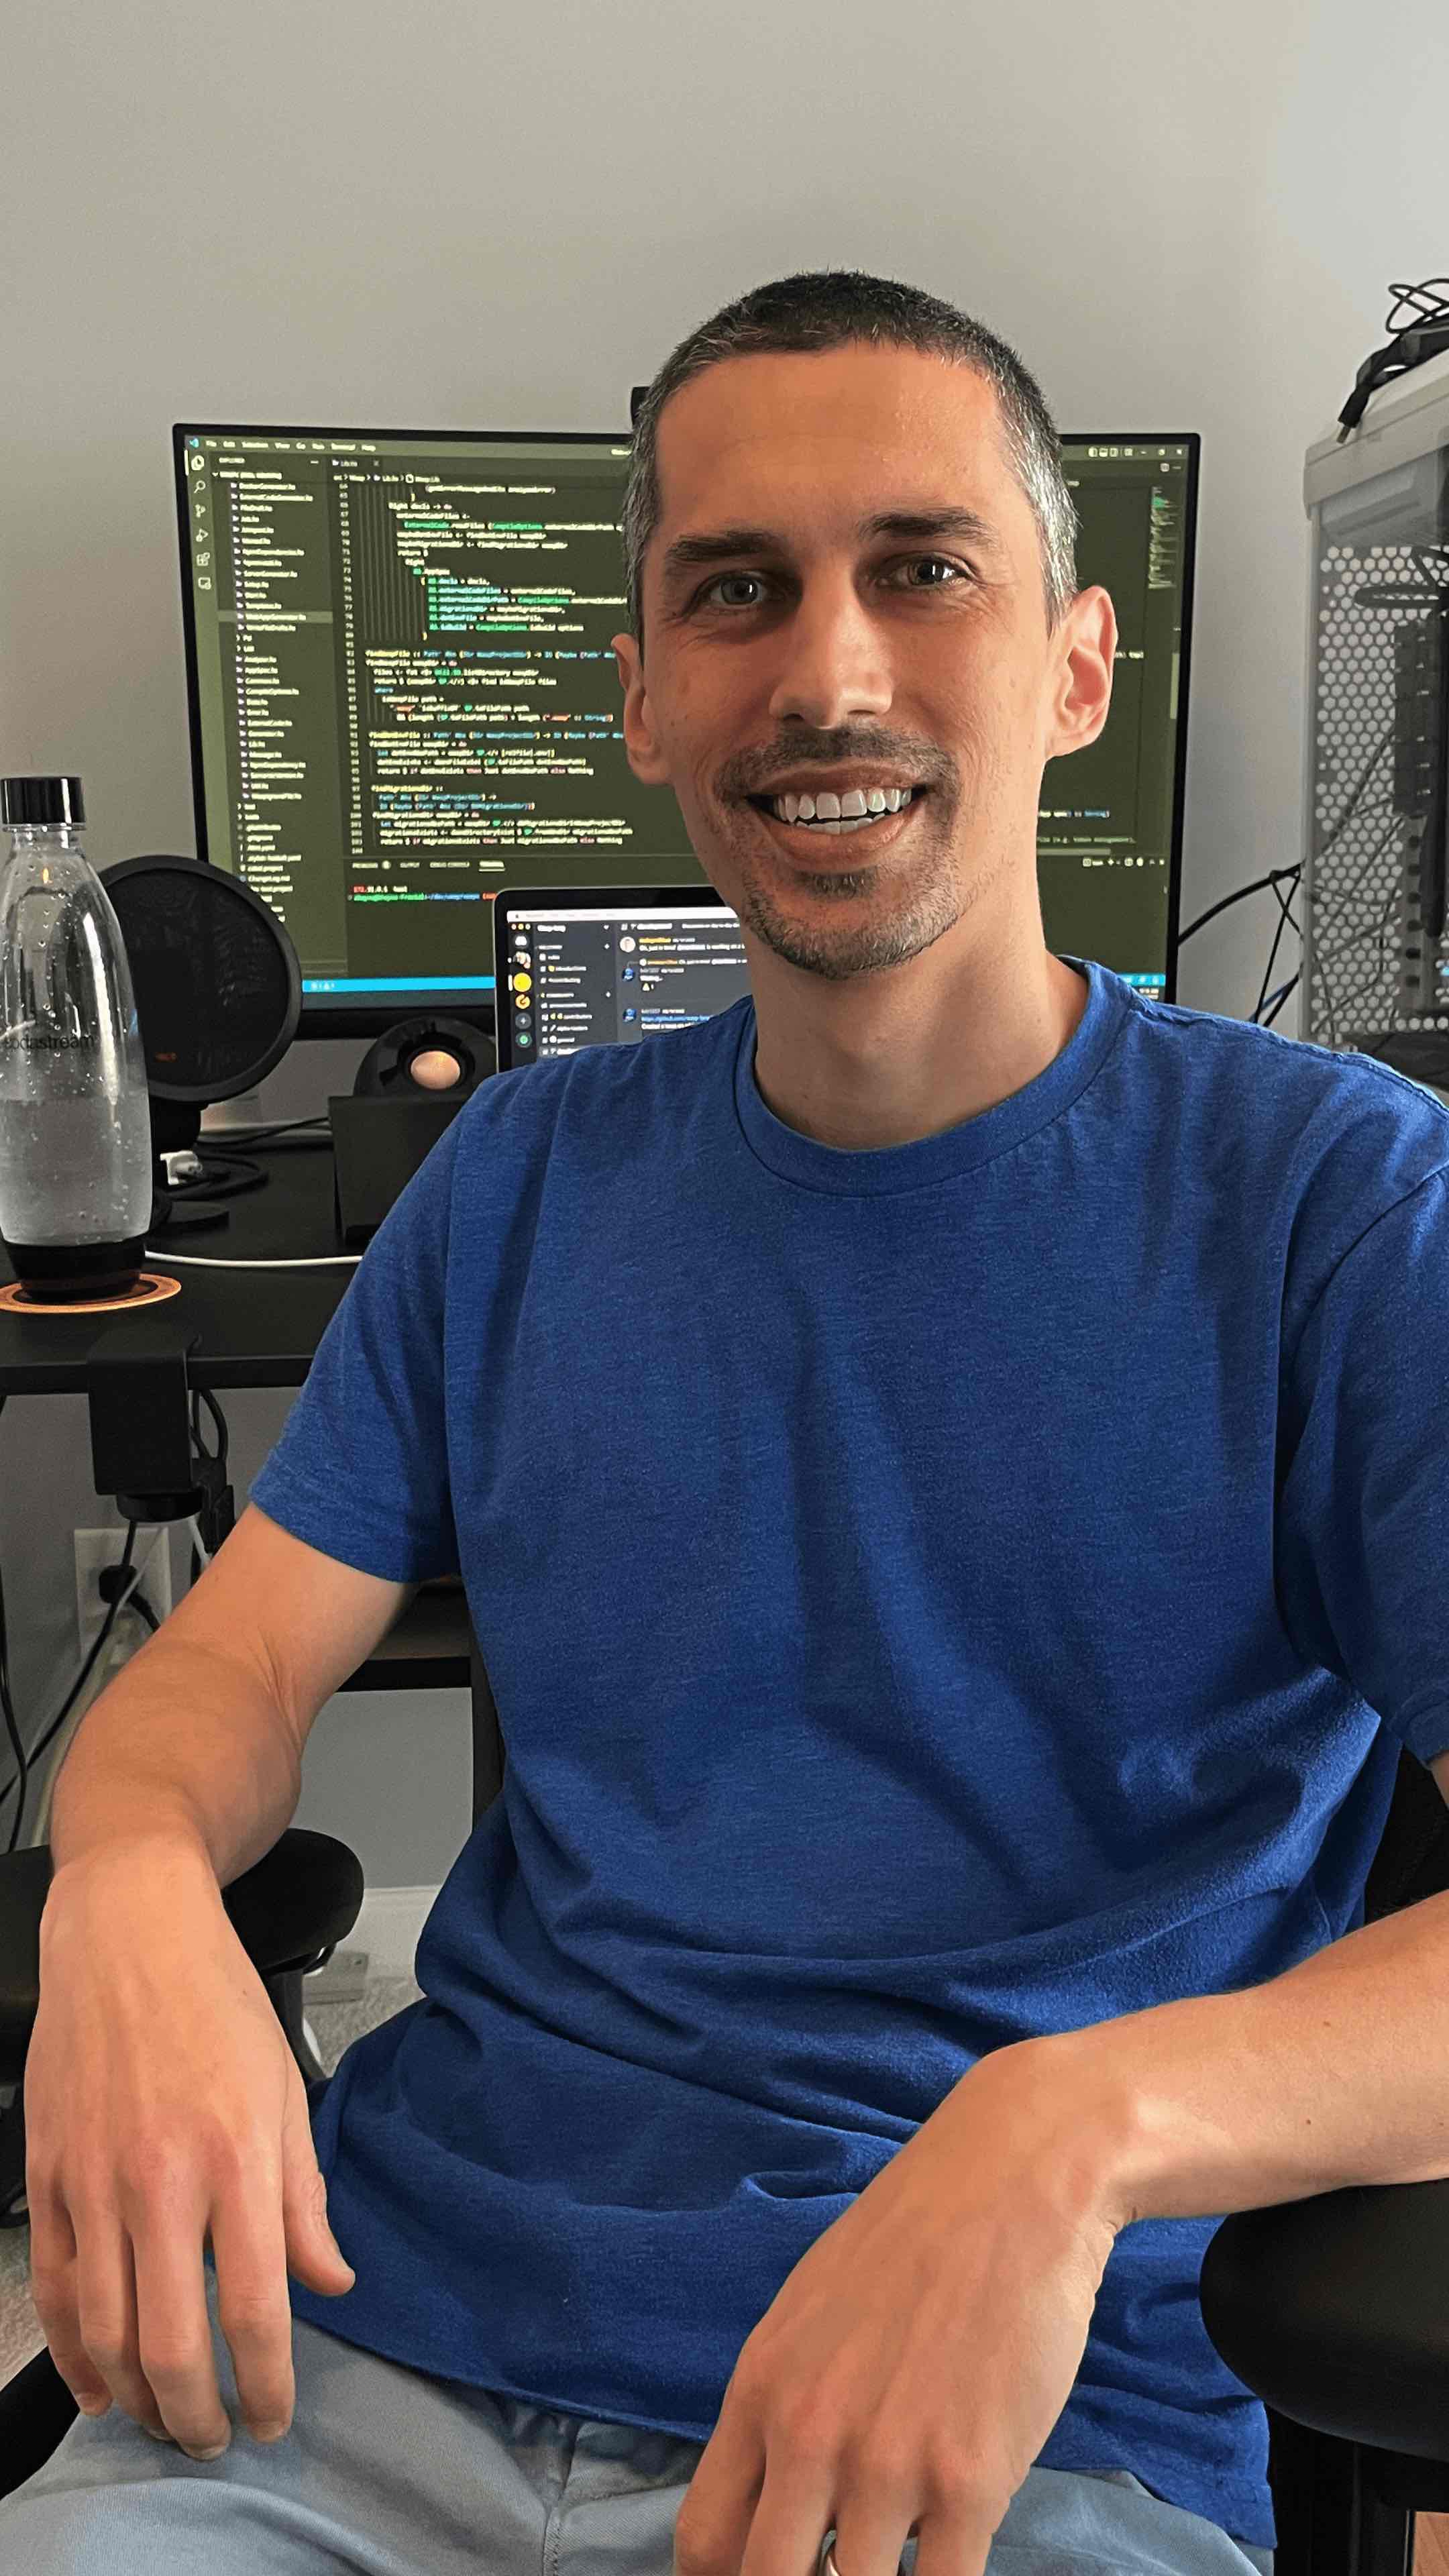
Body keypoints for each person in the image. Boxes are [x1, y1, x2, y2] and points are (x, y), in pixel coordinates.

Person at [8, 266, 1449, 2575]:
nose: (831, 672)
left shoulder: (1337, 1211)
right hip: (363, 2353)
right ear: (647, 695)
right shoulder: (519, 1180)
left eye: (926, 569)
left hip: (1006, 2438)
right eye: (738, 590)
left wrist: (1075, 2130)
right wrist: (129, 1888)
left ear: (1076, 666)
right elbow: (238, 1668)